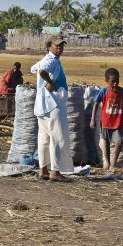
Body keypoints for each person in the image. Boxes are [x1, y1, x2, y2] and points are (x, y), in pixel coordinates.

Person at [30, 35, 73, 182]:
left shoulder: (46, 59)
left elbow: (33, 69)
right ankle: (55, 171)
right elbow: (41, 70)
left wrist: (43, 80)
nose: (60, 48)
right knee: (57, 137)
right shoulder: (52, 61)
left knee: (44, 138)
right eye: (57, 46)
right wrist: (49, 81)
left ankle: (43, 170)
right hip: (53, 103)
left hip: (42, 105)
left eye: (61, 45)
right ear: (49, 46)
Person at [90, 68, 123, 170]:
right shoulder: (104, 91)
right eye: (112, 82)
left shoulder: (122, 91)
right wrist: (92, 119)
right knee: (106, 142)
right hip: (106, 121)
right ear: (107, 81)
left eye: (117, 81)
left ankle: (113, 164)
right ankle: (106, 162)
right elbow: (96, 103)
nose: (115, 84)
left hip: (118, 121)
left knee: (119, 142)